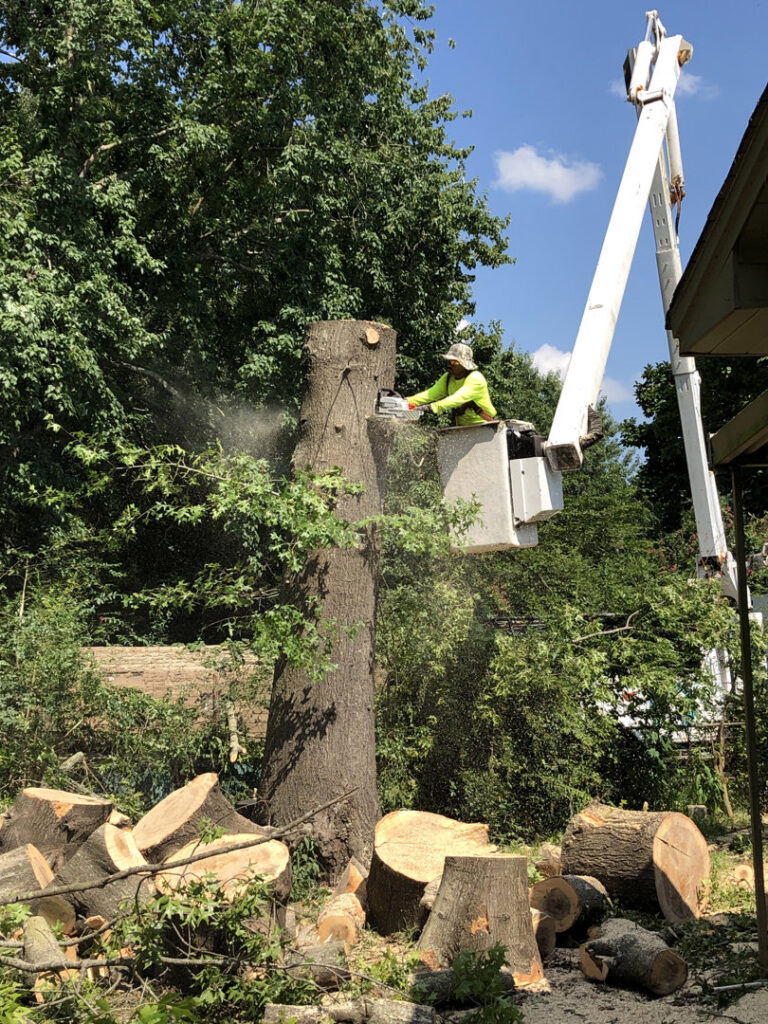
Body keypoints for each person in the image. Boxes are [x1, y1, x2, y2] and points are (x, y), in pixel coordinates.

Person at [405, 342, 496, 426]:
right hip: (462, 428)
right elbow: (429, 394)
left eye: (454, 362)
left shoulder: (476, 378)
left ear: (464, 365)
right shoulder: (448, 378)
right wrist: (405, 402)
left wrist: (430, 408)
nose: (450, 365)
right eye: (449, 361)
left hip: (486, 426)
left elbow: (457, 398)